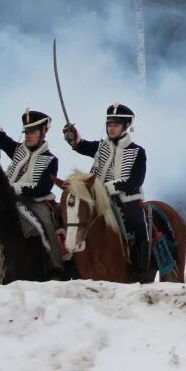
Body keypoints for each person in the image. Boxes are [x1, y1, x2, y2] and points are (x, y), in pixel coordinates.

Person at [63, 102, 150, 282]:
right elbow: (82, 145)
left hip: (126, 200)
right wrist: (72, 137)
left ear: (125, 127)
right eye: (109, 125)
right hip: (100, 200)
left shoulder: (137, 152)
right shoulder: (101, 147)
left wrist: (109, 187)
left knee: (139, 225)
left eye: (115, 125)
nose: (111, 129)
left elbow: (136, 181)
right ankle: (72, 261)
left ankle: (141, 268)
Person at [0, 104, 67, 275]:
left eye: (32, 132)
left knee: (46, 226)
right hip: (6, 199)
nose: (28, 136)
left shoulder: (50, 160)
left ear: (43, 133)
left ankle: (57, 266)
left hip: (34, 202)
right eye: (26, 132)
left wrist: (15, 188)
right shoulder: (18, 150)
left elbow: (42, 188)